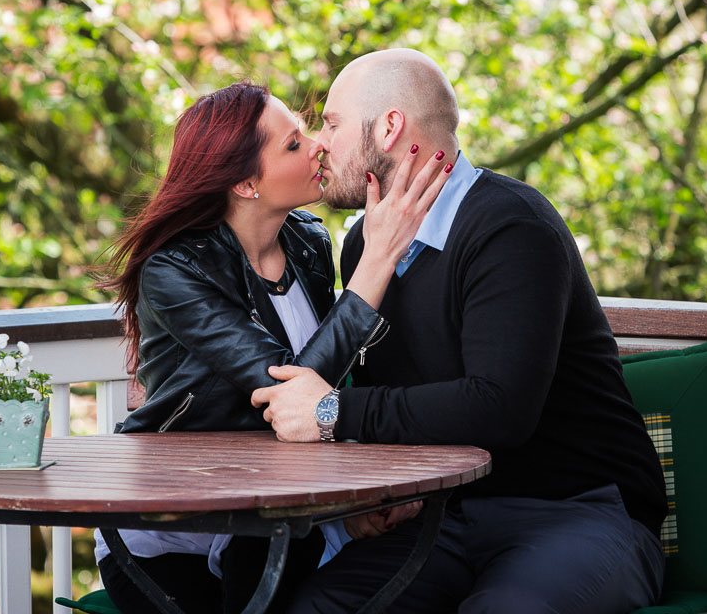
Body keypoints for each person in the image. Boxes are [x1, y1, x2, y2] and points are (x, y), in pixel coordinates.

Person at [251, 49, 669, 614]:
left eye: (332, 123)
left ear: (391, 127)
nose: (320, 142)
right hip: (443, 519)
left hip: (575, 513)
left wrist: (331, 414)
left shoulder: (511, 226)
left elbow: (500, 409)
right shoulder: (363, 248)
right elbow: (407, 390)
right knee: (313, 608)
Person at [95, 81, 452, 614]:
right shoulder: (174, 269)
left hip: (278, 511)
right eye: (292, 144)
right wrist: (379, 259)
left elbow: (328, 388)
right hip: (175, 524)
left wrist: (348, 502)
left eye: (310, 132)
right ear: (244, 183)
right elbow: (287, 392)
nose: (318, 147)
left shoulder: (309, 242)